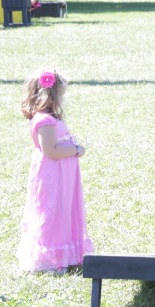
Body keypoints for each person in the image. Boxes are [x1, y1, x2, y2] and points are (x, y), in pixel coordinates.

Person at [18, 70, 94, 273]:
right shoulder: (44, 120)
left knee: (63, 210)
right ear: (51, 95)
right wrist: (76, 150)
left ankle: (65, 253)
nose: (63, 97)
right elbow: (50, 150)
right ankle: (49, 258)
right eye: (61, 93)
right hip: (52, 174)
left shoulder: (51, 118)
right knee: (51, 211)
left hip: (63, 175)